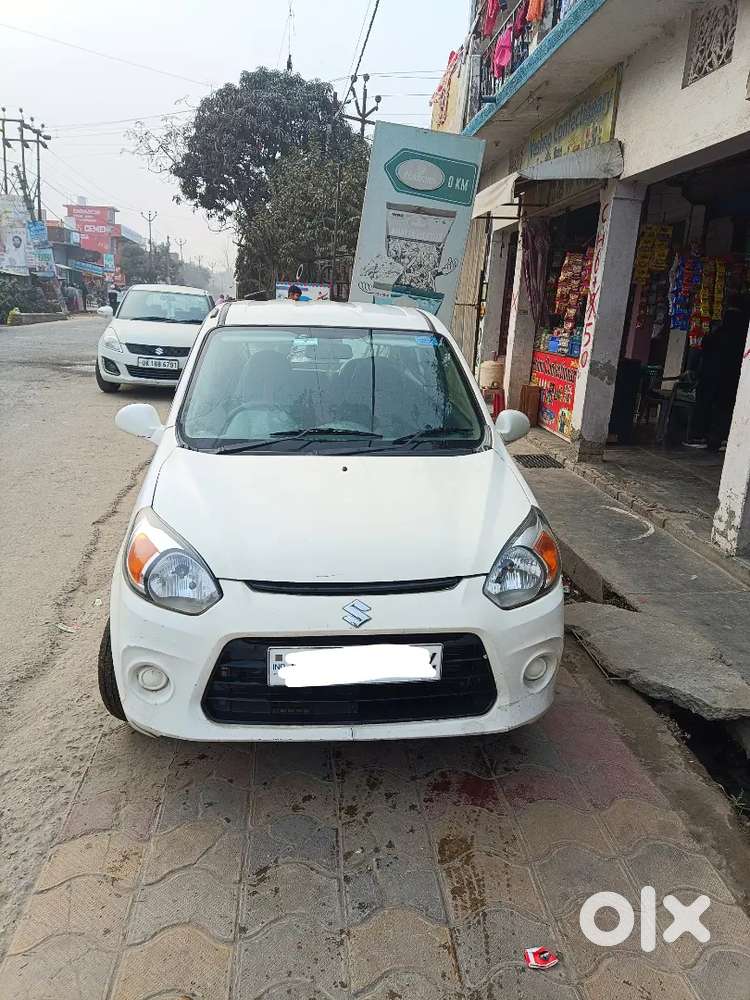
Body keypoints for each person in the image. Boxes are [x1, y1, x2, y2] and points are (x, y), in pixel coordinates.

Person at [691, 296, 750, 450]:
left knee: (706, 405)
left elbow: (705, 346)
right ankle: (722, 438)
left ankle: (700, 436)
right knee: (725, 407)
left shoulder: (718, 333)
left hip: (712, 376)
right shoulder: (742, 337)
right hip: (730, 377)